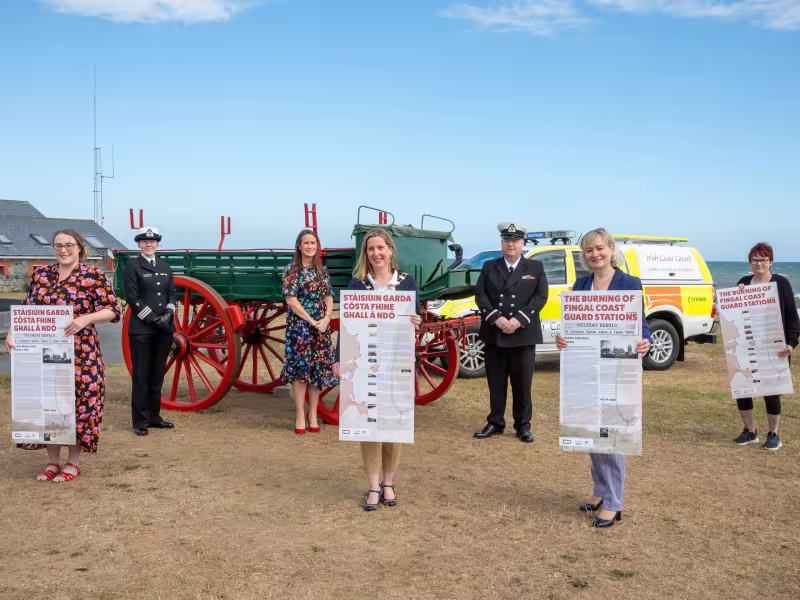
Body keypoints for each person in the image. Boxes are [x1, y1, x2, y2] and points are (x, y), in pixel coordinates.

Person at [5, 229, 120, 482]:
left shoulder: (93, 275)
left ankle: (73, 463)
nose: (63, 250)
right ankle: (51, 462)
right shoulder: (41, 274)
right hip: (41, 351)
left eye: (69, 245)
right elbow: (27, 308)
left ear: (80, 247)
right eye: (58, 245)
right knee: (47, 405)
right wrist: (13, 332)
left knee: (78, 406)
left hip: (81, 353)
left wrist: (85, 319)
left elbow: (112, 309)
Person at [555, 228, 651, 528]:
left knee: (612, 436)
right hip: (586, 369)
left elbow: (641, 325)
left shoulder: (630, 283)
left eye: (599, 248)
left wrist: (644, 340)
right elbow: (573, 326)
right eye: (588, 251)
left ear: (610, 249)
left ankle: (614, 502)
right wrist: (563, 338)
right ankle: (599, 490)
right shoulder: (580, 285)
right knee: (590, 431)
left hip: (617, 368)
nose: (594, 254)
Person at [333, 229, 422, 511]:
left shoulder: (407, 282)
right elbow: (346, 324)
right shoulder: (358, 284)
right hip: (365, 363)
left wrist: (417, 320)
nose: (376, 253)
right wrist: (339, 359)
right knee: (368, 425)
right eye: (371, 249)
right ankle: (372, 485)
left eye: (380, 248)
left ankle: (388, 482)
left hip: (396, 361)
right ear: (366, 254)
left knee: (393, 425)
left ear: (390, 250)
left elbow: (415, 318)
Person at [473, 222, 548, 443]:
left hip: (523, 335)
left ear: (522, 243)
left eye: (515, 240)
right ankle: (495, 422)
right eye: (506, 240)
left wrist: (518, 320)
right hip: (495, 334)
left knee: (522, 384)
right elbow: (481, 296)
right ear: (502, 243)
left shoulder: (535, 268)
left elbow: (540, 297)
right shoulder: (489, 266)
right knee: (496, 383)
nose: (510, 244)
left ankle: (522, 425)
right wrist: (497, 318)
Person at [732, 242, 798, 451]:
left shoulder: (781, 283)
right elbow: (734, 315)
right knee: (743, 388)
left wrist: (792, 343)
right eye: (755, 259)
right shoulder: (743, 283)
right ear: (750, 262)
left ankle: (774, 434)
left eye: (763, 259)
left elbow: (792, 316)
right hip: (746, 345)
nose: (758, 263)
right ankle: (749, 431)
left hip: (774, 347)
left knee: (772, 391)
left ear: (770, 262)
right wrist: (737, 295)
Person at [281, 229, 338, 434]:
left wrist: (326, 318)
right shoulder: (291, 270)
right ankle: (299, 414)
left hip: (320, 327)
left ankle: (313, 413)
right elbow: (291, 300)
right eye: (306, 243)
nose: (310, 247)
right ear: (299, 245)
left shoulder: (321, 271)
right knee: (299, 371)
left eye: (313, 243)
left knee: (317, 370)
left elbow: (329, 297)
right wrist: (311, 320)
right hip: (300, 327)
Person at [124, 226, 177, 437]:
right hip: (142, 329)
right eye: (145, 241)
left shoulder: (164, 265)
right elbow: (132, 297)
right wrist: (153, 318)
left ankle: (155, 416)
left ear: (158, 244)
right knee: (141, 375)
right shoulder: (133, 266)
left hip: (164, 329)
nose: (149, 244)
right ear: (139, 244)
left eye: (153, 241)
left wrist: (167, 315)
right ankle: (140, 420)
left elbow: (172, 293)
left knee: (157, 375)